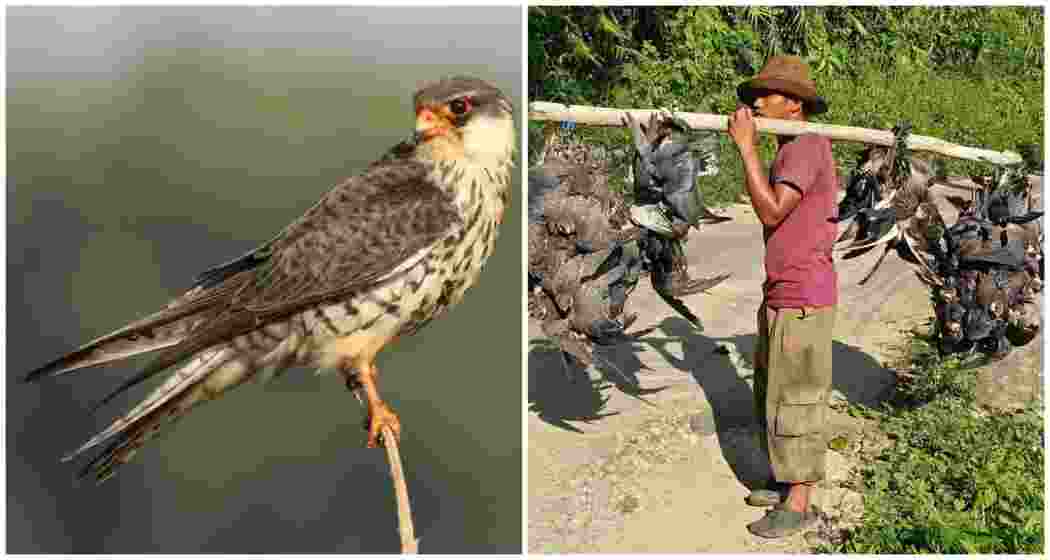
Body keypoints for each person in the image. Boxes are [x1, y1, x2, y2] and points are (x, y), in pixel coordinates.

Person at [727, 55, 839, 539]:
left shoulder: (806, 147)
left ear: (793, 104)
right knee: (773, 394)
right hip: (781, 291)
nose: (755, 102)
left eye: (765, 95)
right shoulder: (789, 149)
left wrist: (747, 151)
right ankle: (782, 478)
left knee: (798, 399)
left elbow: (772, 213)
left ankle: (799, 504)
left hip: (803, 297)